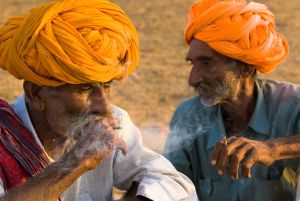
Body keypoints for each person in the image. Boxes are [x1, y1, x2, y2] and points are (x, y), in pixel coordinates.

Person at [0, 0, 198, 201]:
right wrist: (77, 160)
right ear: (36, 93)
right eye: (85, 89)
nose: (103, 106)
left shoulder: (110, 124)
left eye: (106, 85)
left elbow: (175, 184)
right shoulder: (3, 139)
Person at [163, 0, 300, 201]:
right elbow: (170, 185)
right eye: (192, 64)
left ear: (245, 67)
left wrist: (273, 149)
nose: (193, 79)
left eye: (206, 63)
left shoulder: (292, 103)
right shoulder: (188, 116)